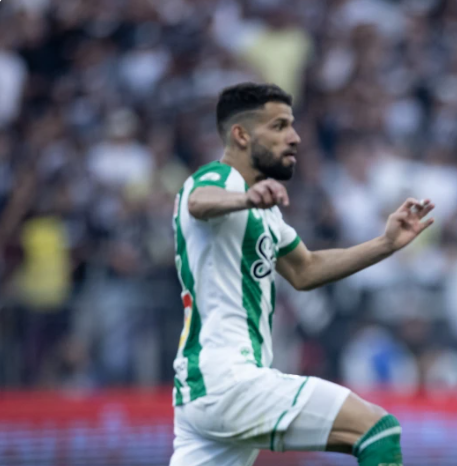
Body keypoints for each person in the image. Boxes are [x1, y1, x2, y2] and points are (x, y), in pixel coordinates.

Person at [169, 82, 434, 466]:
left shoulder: (265, 213)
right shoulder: (218, 180)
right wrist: (244, 198)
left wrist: (385, 244)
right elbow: (198, 201)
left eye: (292, 126)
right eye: (278, 127)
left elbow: (305, 269)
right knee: (378, 429)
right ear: (241, 135)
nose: (294, 137)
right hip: (227, 377)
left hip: (203, 388)